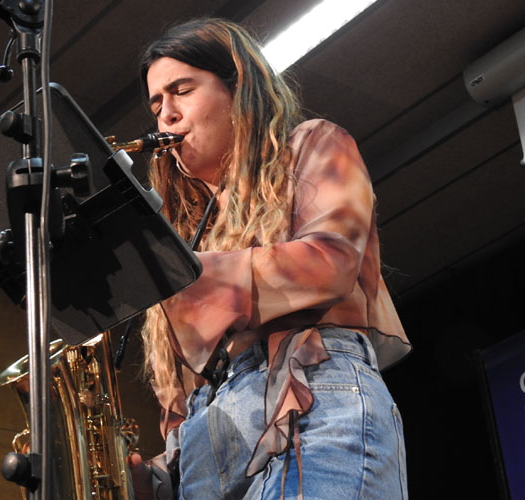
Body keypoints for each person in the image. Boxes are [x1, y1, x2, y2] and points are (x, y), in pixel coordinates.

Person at [129, 17, 411, 500]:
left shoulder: (313, 143)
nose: (166, 116)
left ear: (238, 87)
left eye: (182, 91)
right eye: (157, 104)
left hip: (317, 410)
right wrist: (144, 476)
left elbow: (329, 262)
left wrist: (183, 274)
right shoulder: (187, 235)